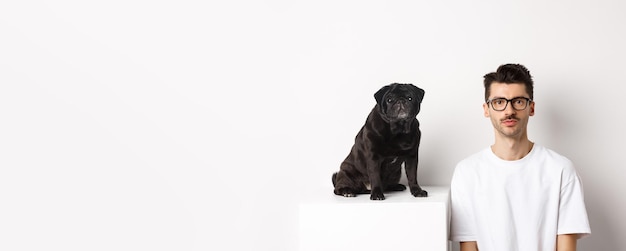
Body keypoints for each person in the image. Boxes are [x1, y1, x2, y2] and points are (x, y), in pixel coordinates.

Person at [449, 64, 591, 251]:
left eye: (518, 101)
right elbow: (468, 246)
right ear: (486, 109)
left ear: (531, 108)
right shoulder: (467, 173)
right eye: (499, 102)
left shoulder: (560, 170)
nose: (509, 111)